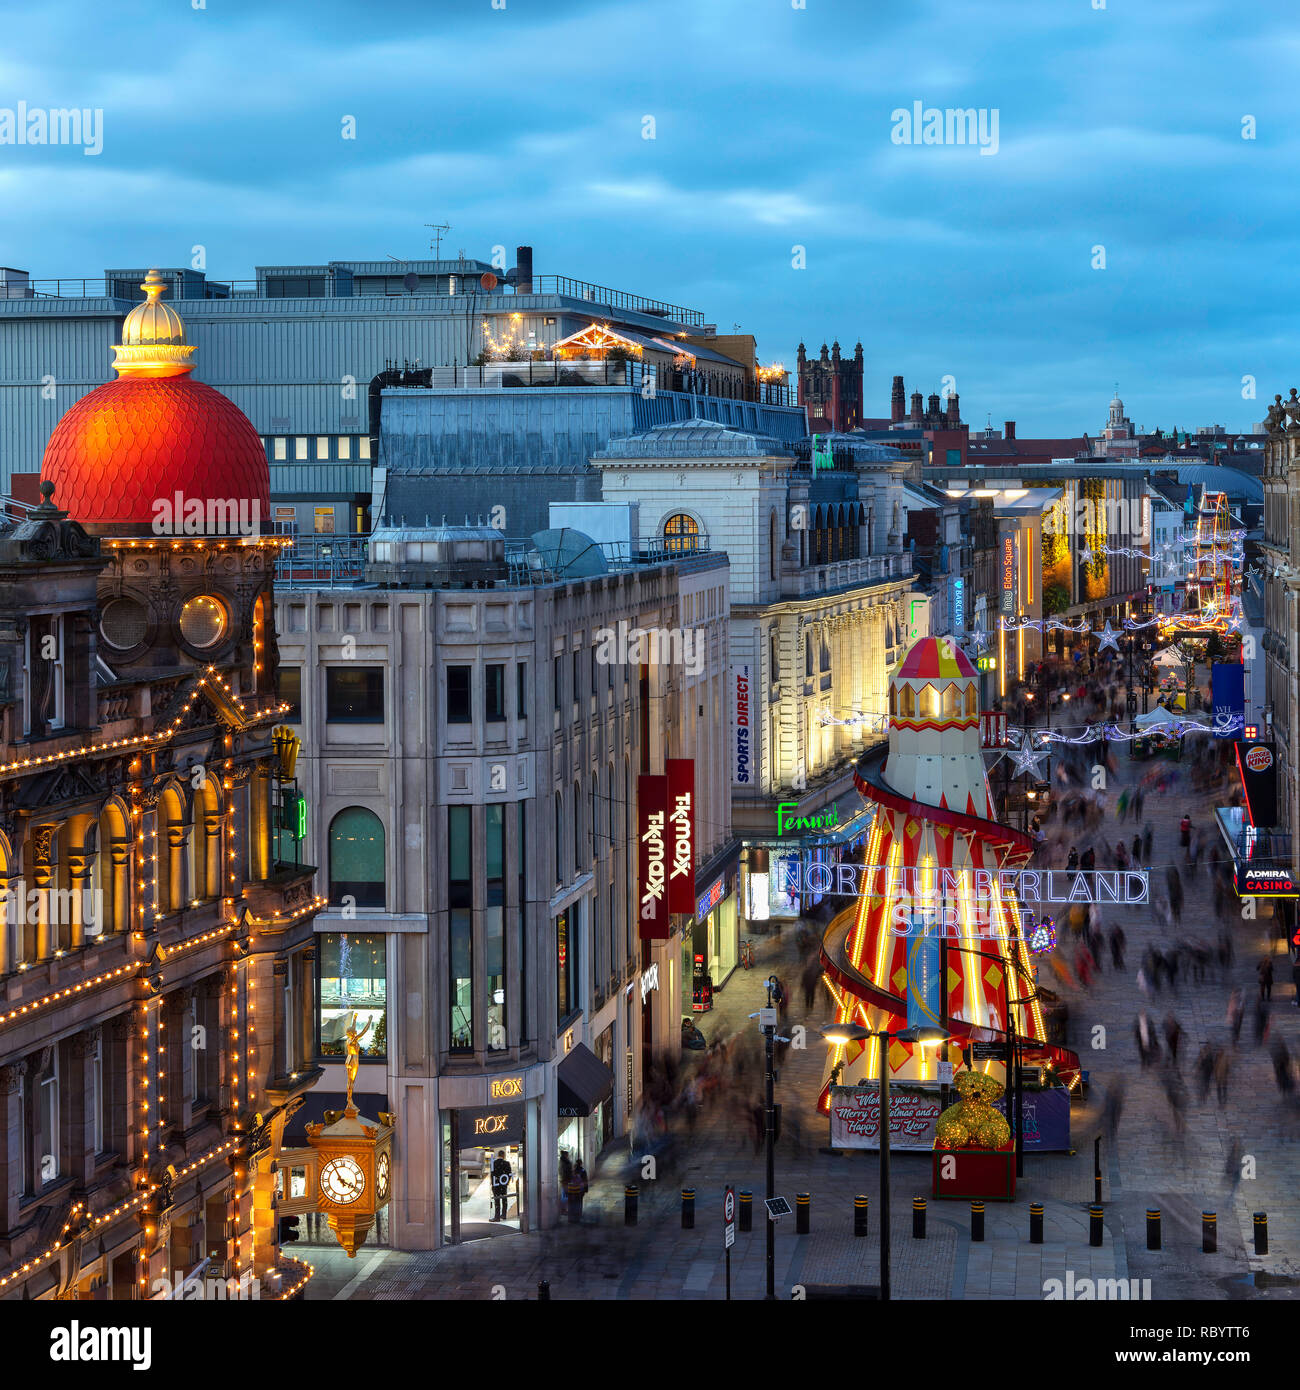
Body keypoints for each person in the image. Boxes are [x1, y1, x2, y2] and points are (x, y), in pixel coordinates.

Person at [491, 1150, 512, 1220]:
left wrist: (493, 1183)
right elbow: (509, 1174)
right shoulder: (507, 1163)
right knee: (504, 1199)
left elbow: (492, 1174)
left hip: (496, 1184)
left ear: (498, 1155)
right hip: (503, 1184)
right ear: (504, 1155)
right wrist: (506, 1183)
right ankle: (503, 1215)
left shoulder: (494, 1163)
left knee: (497, 1200)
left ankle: (497, 1217)